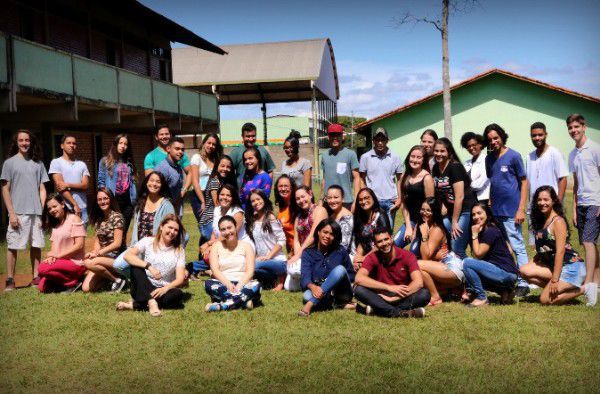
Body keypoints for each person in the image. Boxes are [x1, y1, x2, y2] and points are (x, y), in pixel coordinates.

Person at [520, 186, 588, 305]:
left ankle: (584, 288)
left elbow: (560, 252)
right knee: (524, 271)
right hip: (556, 266)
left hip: (572, 266)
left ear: (554, 201)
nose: (542, 203)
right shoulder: (541, 220)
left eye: (546, 200)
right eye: (539, 200)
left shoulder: (558, 221)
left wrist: (555, 280)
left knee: (544, 300)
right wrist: (529, 264)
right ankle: (557, 290)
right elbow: (543, 250)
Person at [484, 123, 529, 297]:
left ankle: (525, 282)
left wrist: (521, 208)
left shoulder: (514, 156)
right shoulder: (489, 159)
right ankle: (510, 278)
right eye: (490, 140)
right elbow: (493, 181)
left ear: (502, 137)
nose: (494, 142)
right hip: (496, 210)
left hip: (512, 210)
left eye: (496, 138)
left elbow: (524, 182)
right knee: (504, 245)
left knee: (518, 245)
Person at [1, 129, 49, 291]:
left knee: (36, 245)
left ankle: (36, 277)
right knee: (13, 246)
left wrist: (41, 210)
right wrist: (12, 213)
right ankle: (10, 280)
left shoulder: (39, 164)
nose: (24, 143)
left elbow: (42, 189)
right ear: (16, 142)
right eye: (21, 140)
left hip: (36, 213)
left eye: (27, 140)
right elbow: (5, 189)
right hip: (18, 213)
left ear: (31, 142)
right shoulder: (9, 163)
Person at [116, 214, 187, 317]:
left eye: (176, 230)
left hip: (161, 290)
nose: (172, 232)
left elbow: (180, 279)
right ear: (162, 226)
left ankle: (136, 305)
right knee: (136, 266)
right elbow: (128, 256)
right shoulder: (147, 241)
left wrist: (165, 289)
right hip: (142, 285)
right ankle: (151, 302)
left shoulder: (179, 250)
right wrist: (149, 266)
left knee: (178, 295)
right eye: (170, 227)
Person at [354, 227, 430, 318]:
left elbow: (418, 282)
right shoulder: (372, 257)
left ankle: (379, 309)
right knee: (359, 290)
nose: (384, 243)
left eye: (386, 239)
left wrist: (394, 298)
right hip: (381, 296)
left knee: (424, 294)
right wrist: (389, 287)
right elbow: (359, 278)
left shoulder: (407, 256)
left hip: (402, 296)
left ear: (391, 238)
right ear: (375, 245)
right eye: (380, 241)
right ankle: (402, 314)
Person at [111, 171, 175, 278]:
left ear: (162, 185)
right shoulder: (140, 203)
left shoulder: (166, 205)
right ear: (146, 183)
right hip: (138, 248)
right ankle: (144, 278)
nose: (154, 184)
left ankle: (147, 279)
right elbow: (136, 229)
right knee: (118, 265)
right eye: (151, 180)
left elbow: (172, 229)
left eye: (158, 182)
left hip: (156, 249)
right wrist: (132, 247)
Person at [567, 113, 599, 306]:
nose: (573, 131)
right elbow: (576, 183)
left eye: (577, 127)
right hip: (581, 203)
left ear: (584, 126)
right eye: (570, 128)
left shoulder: (595, 149)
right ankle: (598, 282)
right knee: (591, 243)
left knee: (588, 241)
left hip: (595, 201)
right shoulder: (573, 154)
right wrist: (573, 208)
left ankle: (588, 285)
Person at [462, 203, 519, 307]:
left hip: (505, 273)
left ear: (487, 214)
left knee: (467, 263)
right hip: (509, 273)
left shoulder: (490, 231)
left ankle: (481, 297)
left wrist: (474, 235)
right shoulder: (489, 229)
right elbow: (509, 250)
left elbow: (478, 254)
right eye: (473, 215)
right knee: (472, 272)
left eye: (479, 213)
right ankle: (506, 291)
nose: (476, 217)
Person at [298, 219, 356, 316]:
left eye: (332, 234)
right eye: (325, 232)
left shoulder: (341, 251)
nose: (327, 236)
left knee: (340, 269)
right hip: (319, 289)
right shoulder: (308, 253)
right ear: (318, 232)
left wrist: (333, 281)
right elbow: (305, 276)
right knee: (307, 296)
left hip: (341, 292)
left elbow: (350, 274)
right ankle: (338, 305)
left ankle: (310, 304)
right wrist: (313, 287)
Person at [431, 137, 477, 259]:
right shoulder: (436, 168)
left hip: (465, 210)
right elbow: (439, 190)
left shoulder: (455, 167)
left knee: (457, 247)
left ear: (449, 152)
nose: (438, 154)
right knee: (452, 244)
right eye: (436, 151)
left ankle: (468, 271)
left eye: (442, 151)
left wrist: (455, 221)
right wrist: (442, 204)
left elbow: (460, 196)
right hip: (451, 209)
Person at [204, 215, 261, 312]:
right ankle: (243, 301)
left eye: (229, 227)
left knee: (256, 285)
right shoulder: (216, 246)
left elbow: (250, 272)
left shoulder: (247, 246)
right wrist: (228, 285)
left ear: (235, 227)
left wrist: (239, 286)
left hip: (243, 283)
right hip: (223, 283)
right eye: (223, 229)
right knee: (208, 283)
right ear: (220, 231)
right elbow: (215, 270)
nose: (227, 232)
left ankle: (222, 305)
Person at [415, 198, 464, 306]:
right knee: (421, 276)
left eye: (428, 210)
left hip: (452, 269)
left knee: (417, 264)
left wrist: (424, 235)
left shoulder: (436, 229)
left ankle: (436, 296)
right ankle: (451, 289)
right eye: (422, 209)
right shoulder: (426, 226)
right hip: (443, 268)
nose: (424, 213)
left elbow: (425, 257)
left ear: (435, 212)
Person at [37, 194, 86, 293]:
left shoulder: (74, 219)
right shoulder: (55, 225)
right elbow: (53, 249)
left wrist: (58, 255)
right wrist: (51, 257)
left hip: (75, 263)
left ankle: (74, 282)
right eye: (49, 208)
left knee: (42, 268)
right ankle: (68, 283)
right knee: (42, 287)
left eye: (55, 206)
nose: (52, 210)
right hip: (61, 263)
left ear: (62, 204)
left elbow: (79, 245)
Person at [196, 184, 251, 271]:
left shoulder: (237, 213)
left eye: (228, 195)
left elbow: (229, 235)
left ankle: (196, 268)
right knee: (209, 258)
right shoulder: (217, 210)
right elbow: (214, 231)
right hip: (224, 245)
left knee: (217, 261)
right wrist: (211, 245)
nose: (224, 197)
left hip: (239, 247)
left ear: (233, 198)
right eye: (222, 194)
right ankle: (194, 268)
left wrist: (209, 245)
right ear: (218, 196)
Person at [81, 188, 126, 293]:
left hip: (117, 258)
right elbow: (98, 242)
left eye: (105, 198)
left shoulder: (117, 217)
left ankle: (117, 280)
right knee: (86, 288)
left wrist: (100, 253)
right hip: (103, 257)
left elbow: (117, 244)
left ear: (111, 199)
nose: (103, 202)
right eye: (100, 199)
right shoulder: (98, 220)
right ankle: (109, 280)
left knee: (89, 263)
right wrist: (94, 252)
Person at [97, 133, 137, 250]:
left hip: (128, 202)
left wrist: (134, 200)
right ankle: (111, 257)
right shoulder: (105, 161)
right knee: (113, 232)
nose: (123, 146)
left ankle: (121, 258)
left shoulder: (129, 163)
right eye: (121, 143)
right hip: (113, 200)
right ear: (115, 144)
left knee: (123, 232)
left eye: (126, 144)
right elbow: (101, 181)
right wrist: (103, 198)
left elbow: (133, 182)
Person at [359, 127, 403, 227]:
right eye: (377, 140)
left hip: (391, 200)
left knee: (388, 232)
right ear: (373, 140)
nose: (380, 143)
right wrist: (366, 197)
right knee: (373, 232)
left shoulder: (395, 157)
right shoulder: (365, 157)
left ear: (387, 140)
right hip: (373, 201)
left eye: (382, 140)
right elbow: (361, 179)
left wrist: (400, 199)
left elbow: (400, 179)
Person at [287, 186, 328, 291]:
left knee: (295, 271)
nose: (301, 200)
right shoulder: (298, 217)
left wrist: (298, 256)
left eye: (303, 196)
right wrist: (298, 257)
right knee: (289, 287)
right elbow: (296, 240)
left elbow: (313, 236)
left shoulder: (319, 210)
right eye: (298, 199)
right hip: (303, 254)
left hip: (318, 253)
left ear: (310, 194)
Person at [394, 145, 435, 251]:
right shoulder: (405, 176)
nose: (414, 160)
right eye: (412, 156)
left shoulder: (427, 178)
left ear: (423, 160)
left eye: (419, 157)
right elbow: (403, 203)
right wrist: (408, 226)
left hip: (424, 222)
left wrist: (417, 229)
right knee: (393, 246)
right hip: (410, 221)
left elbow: (430, 208)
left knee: (414, 252)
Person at [245, 190, 287, 290]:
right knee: (246, 265)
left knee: (253, 266)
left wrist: (268, 256)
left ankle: (281, 276)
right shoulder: (253, 220)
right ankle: (272, 280)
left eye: (258, 199)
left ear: (264, 199)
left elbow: (282, 240)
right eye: (253, 201)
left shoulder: (270, 217)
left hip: (278, 261)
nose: (256, 202)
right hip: (261, 261)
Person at [48, 134, 90, 226]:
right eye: (68, 143)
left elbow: (85, 185)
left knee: (81, 238)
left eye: (74, 143)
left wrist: (68, 185)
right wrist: (74, 204)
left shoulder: (81, 164)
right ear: (62, 145)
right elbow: (60, 187)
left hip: (82, 207)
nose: (72, 145)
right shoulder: (56, 162)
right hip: (65, 208)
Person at [196, 155, 237, 245]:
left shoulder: (223, 181)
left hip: (214, 220)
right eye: (222, 166)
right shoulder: (215, 182)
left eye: (228, 167)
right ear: (217, 166)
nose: (225, 169)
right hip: (209, 221)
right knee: (217, 245)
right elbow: (217, 204)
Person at [320, 123, 360, 210]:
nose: (335, 138)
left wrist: (356, 200)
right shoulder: (324, 155)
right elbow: (324, 179)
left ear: (343, 136)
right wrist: (321, 199)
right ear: (328, 137)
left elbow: (357, 178)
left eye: (337, 135)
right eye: (332, 135)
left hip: (345, 201)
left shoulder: (351, 154)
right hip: (328, 201)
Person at [143, 124, 192, 191]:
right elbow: (150, 181)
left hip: (177, 195)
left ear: (170, 135)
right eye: (161, 134)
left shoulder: (180, 154)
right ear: (156, 137)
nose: (164, 136)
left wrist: (184, 190)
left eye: (167, 134)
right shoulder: (150, 156)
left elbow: (190, 172)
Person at [352, 188, 391, 269]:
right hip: (369, 253)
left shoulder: (381, 216)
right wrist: (358, 258)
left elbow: (383, 243)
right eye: (360, 200)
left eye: (366, 198)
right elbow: (361, 241)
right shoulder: (360, 218)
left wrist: (364, 258)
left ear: (373, 198)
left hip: (383, 253)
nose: (363, 202)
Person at [190, 133, 223, 229]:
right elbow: (195, 181)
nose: (211, 146)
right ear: (204, 143)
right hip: (199, 196)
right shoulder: (196, 158)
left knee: (215, 223)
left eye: (214, 144)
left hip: (213, 194)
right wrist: (202, 201)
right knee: (204, 225)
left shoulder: (216, 160)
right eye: (209, 143)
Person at [154, 137, 186, 216]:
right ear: (168, 149)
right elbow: (155, 193)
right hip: (164, 214)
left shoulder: (178, 167)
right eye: (177, 149)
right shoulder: (162, 168)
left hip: (175, 211)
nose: (180, 152)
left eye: (182, 149)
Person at [460, 132, 489, 204]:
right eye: (468, 146)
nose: (471, 148)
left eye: (473, 145)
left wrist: (466, 184)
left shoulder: (486, 160)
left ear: (480, 144)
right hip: (468, 201)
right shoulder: (467, 163)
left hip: (482, 200)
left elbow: (479, 184)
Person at [324, 185, 354, 254]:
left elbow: (344, 245)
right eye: (329, 198)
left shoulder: (347, 217)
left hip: (344, 255)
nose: (332, 200)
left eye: (336, 197)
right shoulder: (332, 216)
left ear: (342, 198)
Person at [274, 174, 298, 255]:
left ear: (292, 187)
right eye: (280, 186)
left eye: (286, 186)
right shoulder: (280, 208)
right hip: (290, 250)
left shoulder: (298, 205)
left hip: (300, 250)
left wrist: (293, 252)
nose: (283, 189)